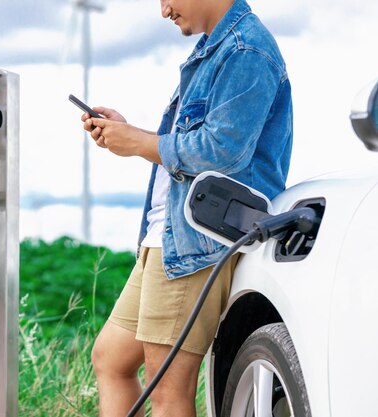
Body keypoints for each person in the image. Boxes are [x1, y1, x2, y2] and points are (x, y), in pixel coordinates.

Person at [80, 0, 292, 416]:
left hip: (195, 245)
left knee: (168, 391)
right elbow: (189, 147)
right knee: (110, 359)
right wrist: (130, 133)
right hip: (166, 237)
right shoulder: (215, 48)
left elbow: (222, 151)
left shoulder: (247, 51)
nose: (163, 11)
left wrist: (139, 143)